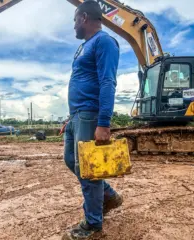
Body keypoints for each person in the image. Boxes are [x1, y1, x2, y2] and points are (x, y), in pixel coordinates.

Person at [63, 1, 122, 239]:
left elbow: (108, 82)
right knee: (71, 161)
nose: (74, 25)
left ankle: (93, 226)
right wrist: (70, 118)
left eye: (74, 20)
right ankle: (108, 195)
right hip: (77, 116)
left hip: (91, 115)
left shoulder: (104, 42)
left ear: (84, 17)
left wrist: (104, 123)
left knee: (89, 172)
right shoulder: (84, 47)